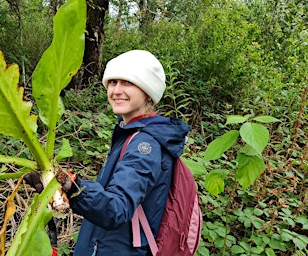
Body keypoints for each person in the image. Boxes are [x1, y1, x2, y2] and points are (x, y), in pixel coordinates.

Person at [28, 50, 190, 256]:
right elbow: (109, 198)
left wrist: (73, 187)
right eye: (112, 82)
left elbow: (116, 209)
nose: (117, 90)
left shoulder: (144, 145)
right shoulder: (130, 134)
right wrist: (62, 192)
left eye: (128, 83)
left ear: (148, 91)